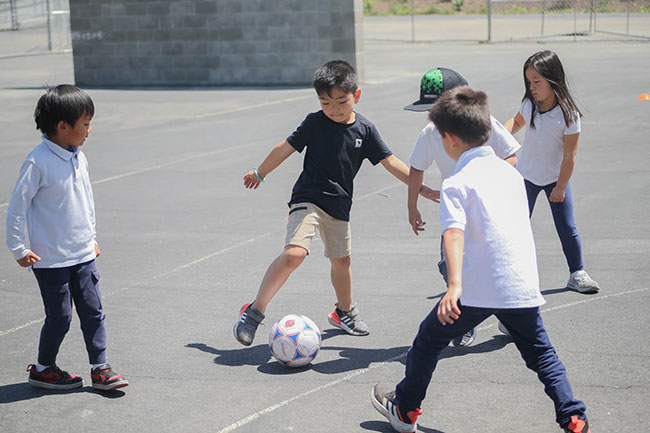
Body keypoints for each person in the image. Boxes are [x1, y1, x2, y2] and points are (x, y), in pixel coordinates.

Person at [371, 86, 590, 433]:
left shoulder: (457, 182)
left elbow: (453, 234)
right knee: (542, 355)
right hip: (519, 284)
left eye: (441, 136)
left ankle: (405, 409)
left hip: (477, 287)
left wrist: (454, 285)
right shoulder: (512, 176)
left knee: (427, 341)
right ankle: (573, 416)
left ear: (451, 140)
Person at [233, 60, 437, 346]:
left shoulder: (365, 129)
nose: (334, 109)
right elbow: (285, 148)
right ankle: (253, 312)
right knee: (295, 253)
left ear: (357, 95)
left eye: (341, 101)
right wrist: (260, 172)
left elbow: (390, 162)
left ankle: (344, 312)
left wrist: (421, 187)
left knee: (342, 262)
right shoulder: (315, 122)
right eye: (326, 102)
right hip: (308, 198)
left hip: (339, 205)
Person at [6, 85, 128, 391]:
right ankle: (44, 369)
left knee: (93, 311)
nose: (90, 129)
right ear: (63, 127)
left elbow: (85, 201)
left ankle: (100, 368)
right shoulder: (37, 163)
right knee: (59, 317)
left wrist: (92, 238)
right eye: (85, 123)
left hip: (83, 254)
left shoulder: (79, 157)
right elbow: (16, 209)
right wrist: (19, 248)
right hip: (50, 260)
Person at [405, 67, 521, 347]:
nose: (433, 116)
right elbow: (416, 169)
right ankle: (462, 323)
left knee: (489, 263)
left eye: (437, 109)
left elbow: (512, 157)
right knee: (450, 264)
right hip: (455, 207)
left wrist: (485, 180)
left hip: (487, 207)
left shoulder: (483, 123)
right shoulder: (430, 133)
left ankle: (506, 313)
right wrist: (412, 206)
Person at [504, 50, 599, 294]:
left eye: (537, 82)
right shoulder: (529, 105)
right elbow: (514, 123)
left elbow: (570, 156)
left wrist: (560, 187)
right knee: (515, 226)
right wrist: (496, 137)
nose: (532, 87)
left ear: (553, 78)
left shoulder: (568, 115)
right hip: (526, 177)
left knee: (567, 226)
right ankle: (507, 275)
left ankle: (577, 273)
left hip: (556, 180)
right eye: (529, 82)